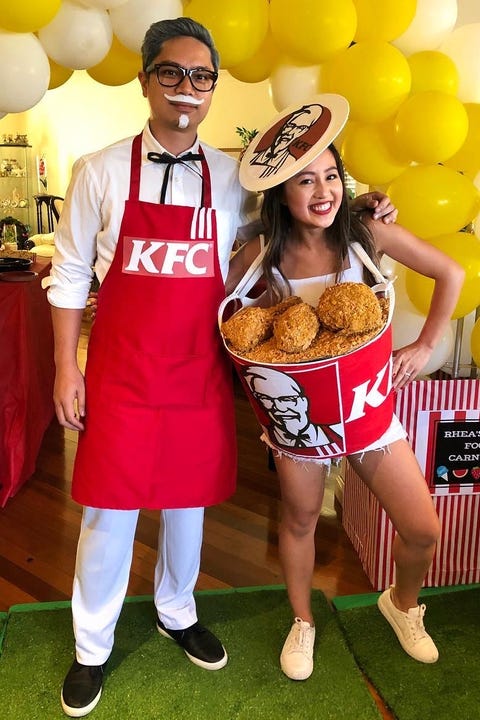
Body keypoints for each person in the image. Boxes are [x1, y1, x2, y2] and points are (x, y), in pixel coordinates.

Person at [46, 18, 398, 717]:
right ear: (147, 80)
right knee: (108, 514)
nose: (186, 88)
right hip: (119, 373)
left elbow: (303, 218)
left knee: (188, 506)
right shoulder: (99, 170)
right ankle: (92, 646)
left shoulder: (235, 182)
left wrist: (365, 208)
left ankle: (178, 611)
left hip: (199, 373)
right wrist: (66, 367)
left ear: (212, 88)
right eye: (171, 73)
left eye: (201, 76)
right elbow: (68, 274)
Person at [227, 98, 465, 681]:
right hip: (299, 426)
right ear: (280, 191)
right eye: (304, 179)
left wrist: (424, 346)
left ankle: (402, 605)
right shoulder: (264, 256)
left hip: (367, 414)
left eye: (331, 175)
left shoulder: (366, 235)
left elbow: (449, 272)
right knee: (302, 521)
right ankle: (303, 620)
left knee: (423, 528)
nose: (322, 190)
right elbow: (229, 317)